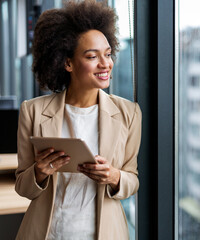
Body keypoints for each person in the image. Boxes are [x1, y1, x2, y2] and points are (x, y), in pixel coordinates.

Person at [15, 1, 141, 239]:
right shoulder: (32, 111)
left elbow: (132, 180)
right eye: (92, 56)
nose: (105, 64)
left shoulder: (129, 113)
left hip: (103, 233)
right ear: (68, 63)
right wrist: (39, 172)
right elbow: (23, 186)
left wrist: (114, 176)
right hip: (48, 232)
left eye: (108, 54)